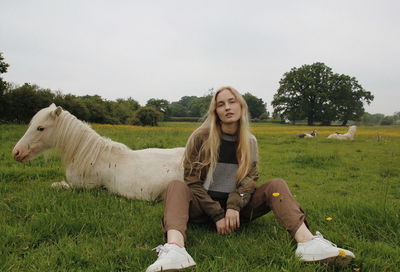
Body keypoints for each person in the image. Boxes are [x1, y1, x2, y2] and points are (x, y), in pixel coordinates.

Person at [146, 86, 355, 272]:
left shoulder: (250, 141)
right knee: (176, 185)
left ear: (241, 106)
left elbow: (251, 178)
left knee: (276, 185)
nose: (227, 107)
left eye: (232, 101)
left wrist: (234, 206)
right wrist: (217, 214)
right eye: (221, 104)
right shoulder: (200, 138)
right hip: (202, 209)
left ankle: (308, 243)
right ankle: (175, 249)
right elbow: (191, 181)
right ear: (216, 111)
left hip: (237, 213)